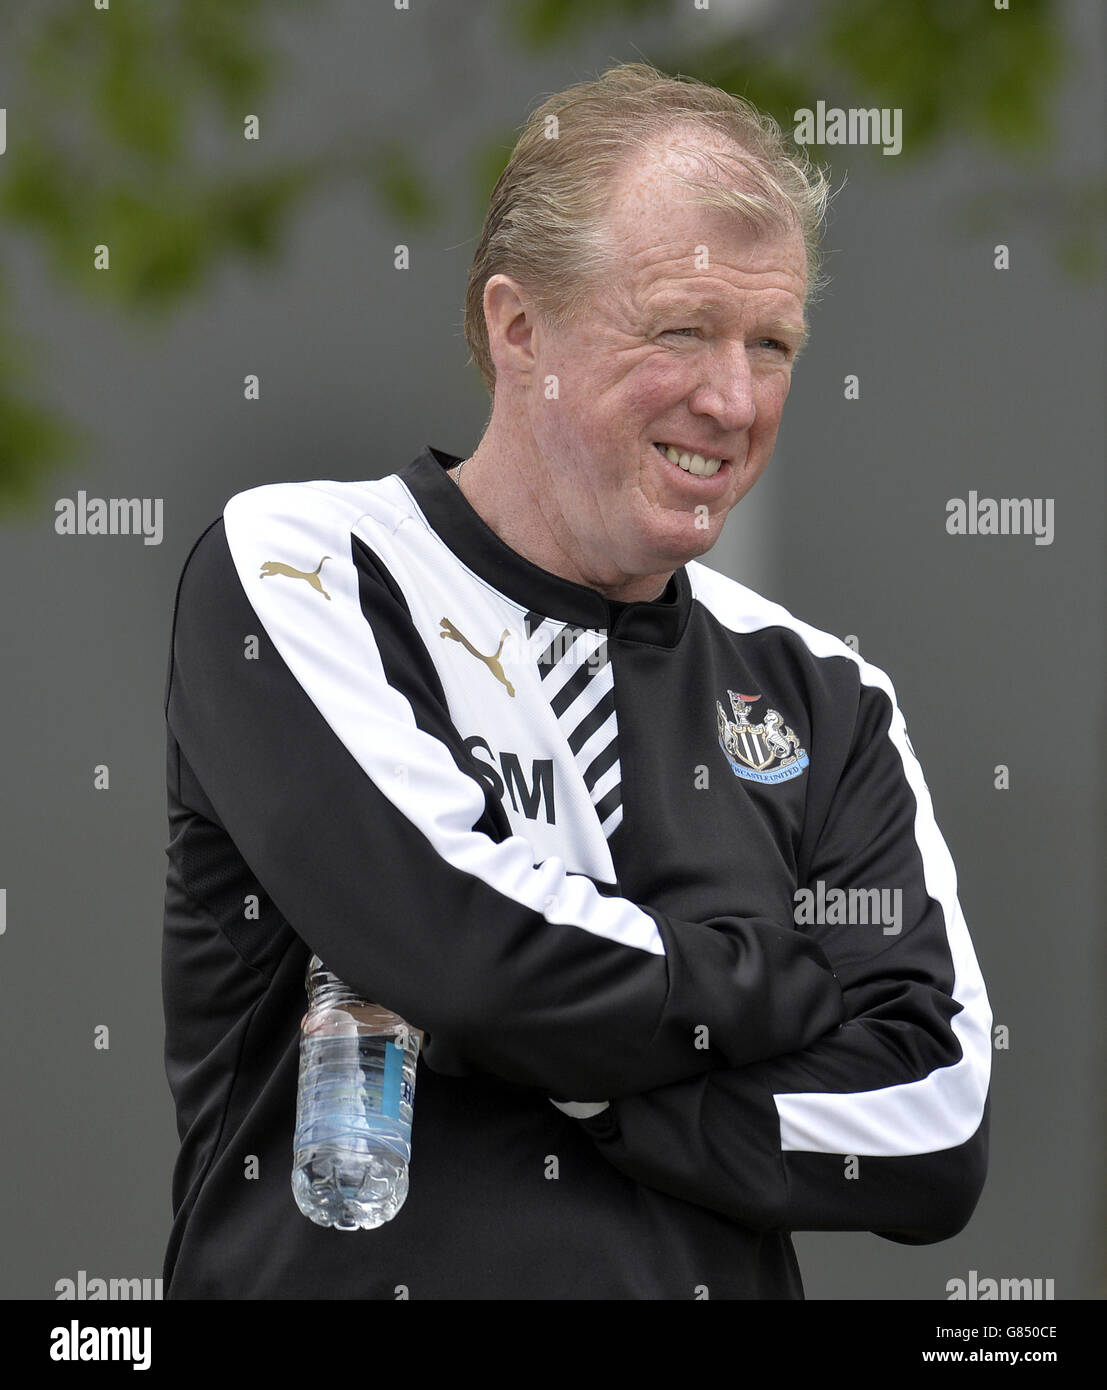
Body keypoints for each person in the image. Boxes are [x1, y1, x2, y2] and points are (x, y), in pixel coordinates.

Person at [161, 63, 991, 1300]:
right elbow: (457, 947)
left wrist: (604, 1089)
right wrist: (775, 981)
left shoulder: (824, 690)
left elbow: (933, 1125)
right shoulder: (305, 561)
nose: (733, 397)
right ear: (518, 328)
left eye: (773, 343)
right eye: (680, 329)